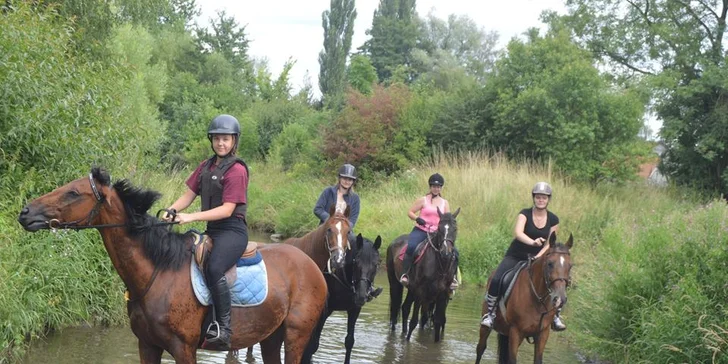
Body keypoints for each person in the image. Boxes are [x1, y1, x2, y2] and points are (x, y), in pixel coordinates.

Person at [162, 114, 249, 349]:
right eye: (217, 139)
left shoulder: (237, 170)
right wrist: (171, 210)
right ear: (212, 140)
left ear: (234, 141)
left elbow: (227, 209)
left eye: (226, 139)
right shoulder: (206, 166)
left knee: (214, 267)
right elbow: (188, 196)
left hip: (232, 231)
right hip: (213, 230)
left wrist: (191, 217)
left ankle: (224, 329)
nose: (221, 143)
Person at [480, 182, 566, 331]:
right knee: (497, 278)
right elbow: (518, 233)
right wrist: (532, 242)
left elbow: (549, 244)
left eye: (544, 198)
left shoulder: (553, 219)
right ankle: (491, 313)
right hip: (517, 254)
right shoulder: (524, 214)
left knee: (558, 280)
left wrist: (538, 256)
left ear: (548, 199)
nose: (541, 200)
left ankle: (556, 315)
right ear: (534, 198)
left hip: (540, 258)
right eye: (538, 197)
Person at [399, 173, 456, 287]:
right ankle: (406, 274)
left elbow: (447, 218)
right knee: (411, 247)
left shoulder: (445, 202)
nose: (436, 189)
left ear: (441, 188)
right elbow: (410, 212)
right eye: (434, 186)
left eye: (438, 187)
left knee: (454, 251)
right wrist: (417, 218)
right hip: (421, 230)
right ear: (430, 187)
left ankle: (453, 278)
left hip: (437, 233)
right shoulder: (423, 200)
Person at [313, 163, 360, 242]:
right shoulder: (328, 192)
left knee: (353, 242)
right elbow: (318, 209)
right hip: (327, 227)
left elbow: (353, 219)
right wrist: (330, 220)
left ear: (353, 181)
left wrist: (344, 227)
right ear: (340, 178)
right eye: (344, 178)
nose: (347, 181)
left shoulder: (355, 198)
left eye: (350, 179)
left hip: (344, 229)